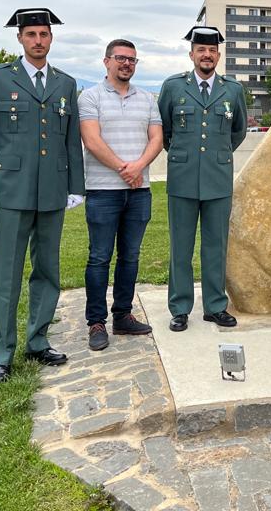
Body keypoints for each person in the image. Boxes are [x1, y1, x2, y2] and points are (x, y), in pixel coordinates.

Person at [0, 8, 85, 383]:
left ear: (51, 39)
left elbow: (71, 141)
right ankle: (2, 353)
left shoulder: (65, 83)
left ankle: (38, 340)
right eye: (31, 34)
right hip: (9, 193)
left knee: (47, 271)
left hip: (52, 191)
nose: (38, 41)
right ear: (20, 38)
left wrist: (75, 187)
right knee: (6, 275)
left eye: (44, 35)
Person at [157, 26, 247, 332]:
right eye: (201, 49)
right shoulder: (173, 87)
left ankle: (215, 306)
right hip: (182, 178)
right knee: (180, 247)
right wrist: (187, 155)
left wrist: (215, 156)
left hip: (218, 178)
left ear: (218, 55)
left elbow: (238, 132)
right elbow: (165, 130)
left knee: (215, 245)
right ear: (192, 53)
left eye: (212, 50)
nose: (206, 55)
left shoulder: (232, 90)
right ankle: (180, 308)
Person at [79, 39, 164, 351]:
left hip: (139, 191)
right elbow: (91, 138)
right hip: (103, 190)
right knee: (99, 257)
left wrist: (139, 166)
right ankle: (96, 322)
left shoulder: (147, 99)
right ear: (106, 61)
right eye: (120, 58)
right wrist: (122, 168)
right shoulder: (89, 96)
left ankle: (123, 315)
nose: (126, 64)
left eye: (132, 60)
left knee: (131, 256)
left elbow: (156, 138)